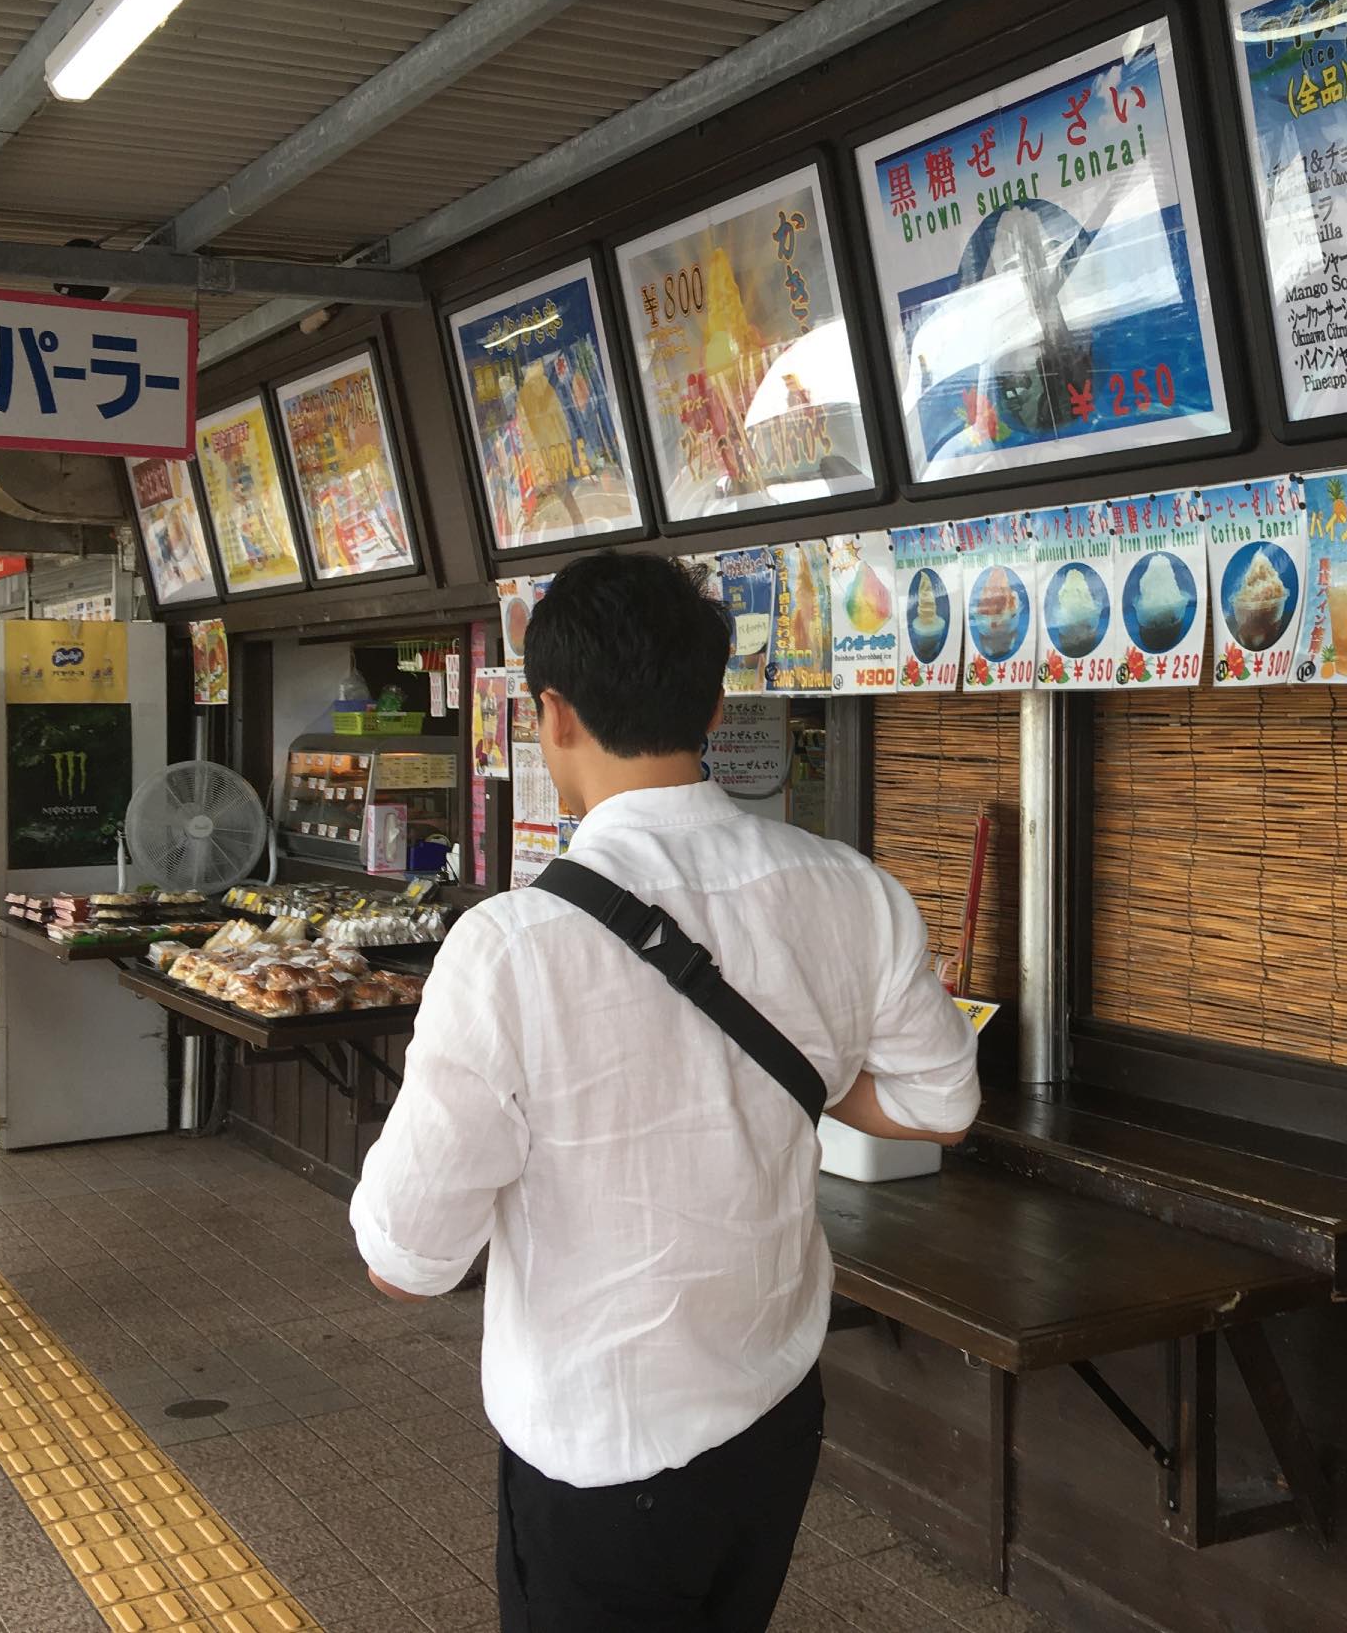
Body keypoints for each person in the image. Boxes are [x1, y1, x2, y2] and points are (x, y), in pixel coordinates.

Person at [351, 551, 980, 1633]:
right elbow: (936, 1105)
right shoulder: (853, 889)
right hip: (774, 1413)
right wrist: (783, 1073)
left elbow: (405, 1260)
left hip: (600, 1445)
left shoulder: (507, 946)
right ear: (714, 703)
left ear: (551, 713)